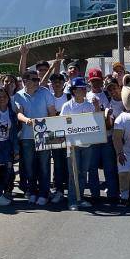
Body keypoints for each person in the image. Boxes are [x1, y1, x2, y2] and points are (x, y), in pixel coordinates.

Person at [13, 70, 56, 205]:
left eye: (38, 79)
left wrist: (47, 127)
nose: (38, 81)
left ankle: (44, 193)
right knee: (29, 166)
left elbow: (52, 113)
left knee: (44, 165)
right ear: (25, 81)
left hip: (44, 135)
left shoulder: (45, 92)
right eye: (34, 79)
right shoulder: (18, 95)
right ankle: (32, 191)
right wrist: (27, 120)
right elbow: (19, 114)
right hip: (26, 136)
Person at [61, 77, 97, 210]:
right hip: (72, 145)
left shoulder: (89, 106)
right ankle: (72, 201)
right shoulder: (67, 106)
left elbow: (95, 124)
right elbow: (62, 124)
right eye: (80, 89)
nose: (83, 91)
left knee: (83, 172)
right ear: (74, 91)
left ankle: (80, 198)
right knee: (73, 174)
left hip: (87, 144)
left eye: (84, 88)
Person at [86, 68, 119, 202]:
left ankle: (112, 194)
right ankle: (95, 195)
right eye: (93, 81)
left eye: (98, 80)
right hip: (92, 138)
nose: (95, 83)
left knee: (109, 167)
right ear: (89, 81)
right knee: (92, 168)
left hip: (107, 136)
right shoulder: (85, 96)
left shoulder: (108, 94)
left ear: (102, 81)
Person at [48, 72, 68, 203]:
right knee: (57, 161)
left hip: (69, 134)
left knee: (69, 161)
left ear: (63, 84)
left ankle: (71, 188)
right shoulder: (48, 98)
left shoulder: (69, 96)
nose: (57, 84)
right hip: (53, 134)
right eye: (54, 82)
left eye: (60, 82)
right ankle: (58, 188)